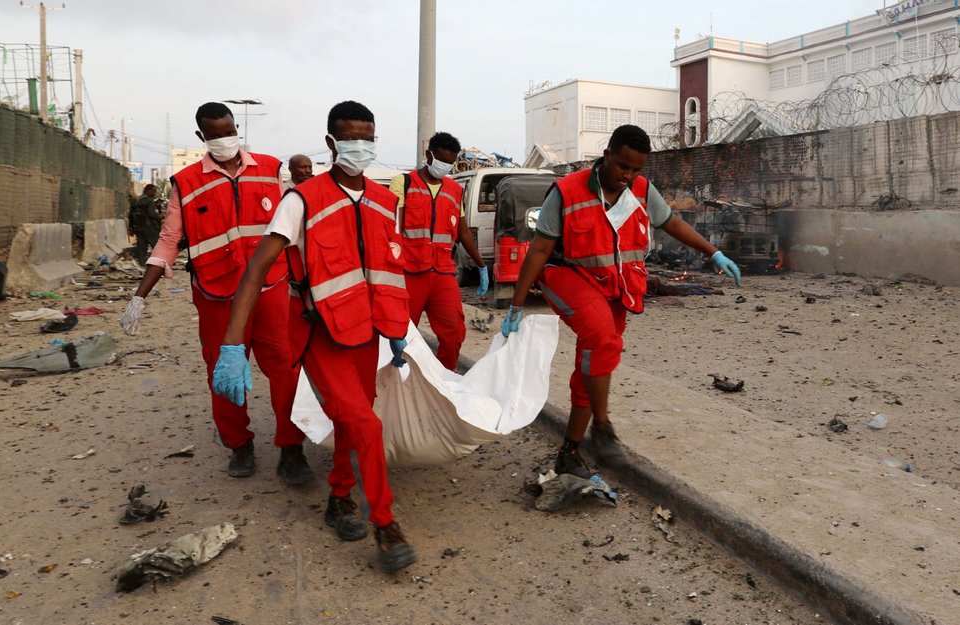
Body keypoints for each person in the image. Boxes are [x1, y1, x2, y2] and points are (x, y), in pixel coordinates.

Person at [211, 100, 417, 574]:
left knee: (354, 420)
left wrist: (402, 330)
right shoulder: (301, 200)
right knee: (365, 424)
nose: (360, 147)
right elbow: (257, 270)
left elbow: (389, 267)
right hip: (319, 335)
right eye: (350, 138)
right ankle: (385, 525)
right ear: (330, 143)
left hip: (367, 334)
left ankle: (339, 498)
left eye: (368, 138)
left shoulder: (387, 201)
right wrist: (232, 345)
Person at [502, 124, 742, 478]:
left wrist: (714, 253)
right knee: (602, 340)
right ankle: (601, 428)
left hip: (614, 286)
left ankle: (568, 452)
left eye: (636, 170)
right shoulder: (567, 192)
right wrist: (516, 304)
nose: (627, 176)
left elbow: (671, 223)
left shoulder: (641, 191)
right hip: (566, 276)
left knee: (596, 359)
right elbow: (539, 249)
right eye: (622, 167)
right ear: (606, 156)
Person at [118, 102, 311, 486]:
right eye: (215, 134)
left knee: (286, 369)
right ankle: (240, 445)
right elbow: (170, 239)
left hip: (270, 289)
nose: (225, 139)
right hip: (216, 294)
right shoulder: (186, 182)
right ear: (201, 137)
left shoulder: (272, 169)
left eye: (229, 130)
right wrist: (140, 295)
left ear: (236, 127)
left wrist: (306, 285)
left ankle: (292, 448)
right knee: (224, 374)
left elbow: (294, 230)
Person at [389, 131, 488, 370]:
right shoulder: (404, 183)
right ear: (428, 154)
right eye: (442, 160)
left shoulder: (454, 190)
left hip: (442, 272)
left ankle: (446, 378)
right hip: (409, 271)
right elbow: (392, 228)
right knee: (400, 333)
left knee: (454, 331)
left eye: (450, 163)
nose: (445, 166)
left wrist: (482, 266)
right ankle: (398, 379)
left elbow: (463, 232)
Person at [129, 183, 163, 266]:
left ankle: (142, 263)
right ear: (148, 190)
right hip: (149, 227)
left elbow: (130, 215)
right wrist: (160, 217)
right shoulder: (149, 201)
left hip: (138, 227)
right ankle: (159, 263)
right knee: (156, 245)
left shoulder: (137, 200)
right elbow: (153, 214)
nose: (154, 194)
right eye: (153, 191)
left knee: (141, 247)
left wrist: (131, 227)